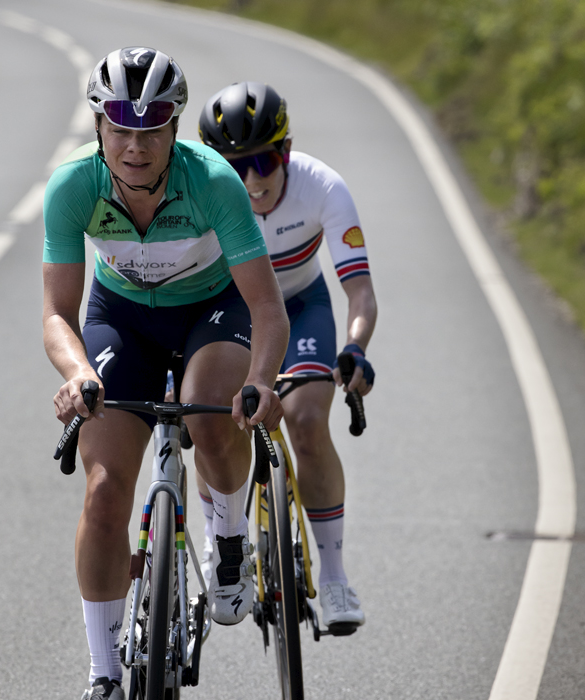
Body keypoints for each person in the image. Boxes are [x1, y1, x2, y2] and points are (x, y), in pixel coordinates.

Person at [43, 50, 289, 700]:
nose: (135, 144)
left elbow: (266, 307)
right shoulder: (72, 188)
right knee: (102, 492)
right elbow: (57, 316)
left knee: (213, 411)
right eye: (120, 126)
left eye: (152, 127)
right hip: (121, 317)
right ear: (98, 125)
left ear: (175, 126)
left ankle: (230, 537)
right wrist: (75, 374)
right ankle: (103, 672)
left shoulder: (212, 182)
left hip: (213, 308)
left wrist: (261, 381)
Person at [198, 81, 377, 634]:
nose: (252, 180)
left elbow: (360, 293)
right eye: (236, 166)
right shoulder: (201, 197)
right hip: (231, 312)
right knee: (209, 417)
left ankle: (336, 574)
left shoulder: (323, 187)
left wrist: (354, 347)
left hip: (301, 306)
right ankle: (220, 541)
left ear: (288, 151)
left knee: (304, 421)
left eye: (265, 161)